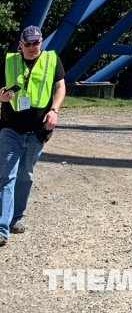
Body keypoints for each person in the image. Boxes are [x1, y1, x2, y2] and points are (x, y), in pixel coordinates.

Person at [0, 26, 66, 244]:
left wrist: (54, 111)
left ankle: (15, 219)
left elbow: (60, 88)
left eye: (35, 43)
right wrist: (1, 98)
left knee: (24, 176)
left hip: (37, 132)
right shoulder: (9, 62)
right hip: (10, 130)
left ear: (41, 42)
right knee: (6, 176)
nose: (31, 47)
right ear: (21, 44)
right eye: (27, 44)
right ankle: (2, 229)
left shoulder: (51, 60)